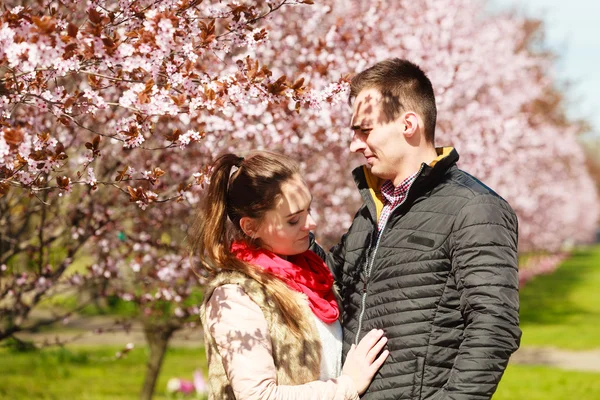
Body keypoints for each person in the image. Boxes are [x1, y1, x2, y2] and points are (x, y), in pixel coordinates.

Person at [326, 58, 521, 399]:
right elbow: (329, 279)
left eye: (365, 130)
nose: (355, 144)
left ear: (409, 124)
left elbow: (495, 324)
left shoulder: (473, 207)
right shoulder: (372, 210)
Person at [192, 151, 389, 400]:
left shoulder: (314, 274)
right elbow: (258, 396)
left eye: (309, 209)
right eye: (294, 220)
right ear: (251, 227)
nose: (312, 223)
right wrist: (347, 386)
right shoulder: (234, 297)